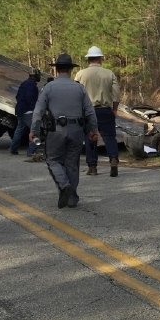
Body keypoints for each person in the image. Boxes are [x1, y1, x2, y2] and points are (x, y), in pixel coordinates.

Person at [30, 54, 100, 209]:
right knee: (72, 164)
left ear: (56, 70)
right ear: (70, 69)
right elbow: (90, 112)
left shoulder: (49, 87)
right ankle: (72, 199)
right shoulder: (79, 88)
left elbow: (38, 111)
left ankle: (64, 185)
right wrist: (93, 130)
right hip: (76, 130)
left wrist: (34, 130)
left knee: (53, 159)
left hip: (56, 130)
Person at [74, 45, 121, 177]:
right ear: (100, 59)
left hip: (88, 111)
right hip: (105, 110)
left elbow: (76, 93)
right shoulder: (109, 73)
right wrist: (115, 109)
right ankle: (113, 159)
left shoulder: (80, 74)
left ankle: (93, 167)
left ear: (88, 59)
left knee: (90, 139)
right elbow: (116, 93)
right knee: (110, 138)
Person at [10, 68, 41, 158]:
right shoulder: (32, 85)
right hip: (28, 112)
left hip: (20, 110)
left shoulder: (24, 83)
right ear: (35, 75)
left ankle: (13, 149)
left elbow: (17, 96)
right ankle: (31, 151)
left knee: (19, 130)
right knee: (35, 130)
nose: (39, 77)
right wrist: (35, 109)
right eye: (39, 76)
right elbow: (30, 98)